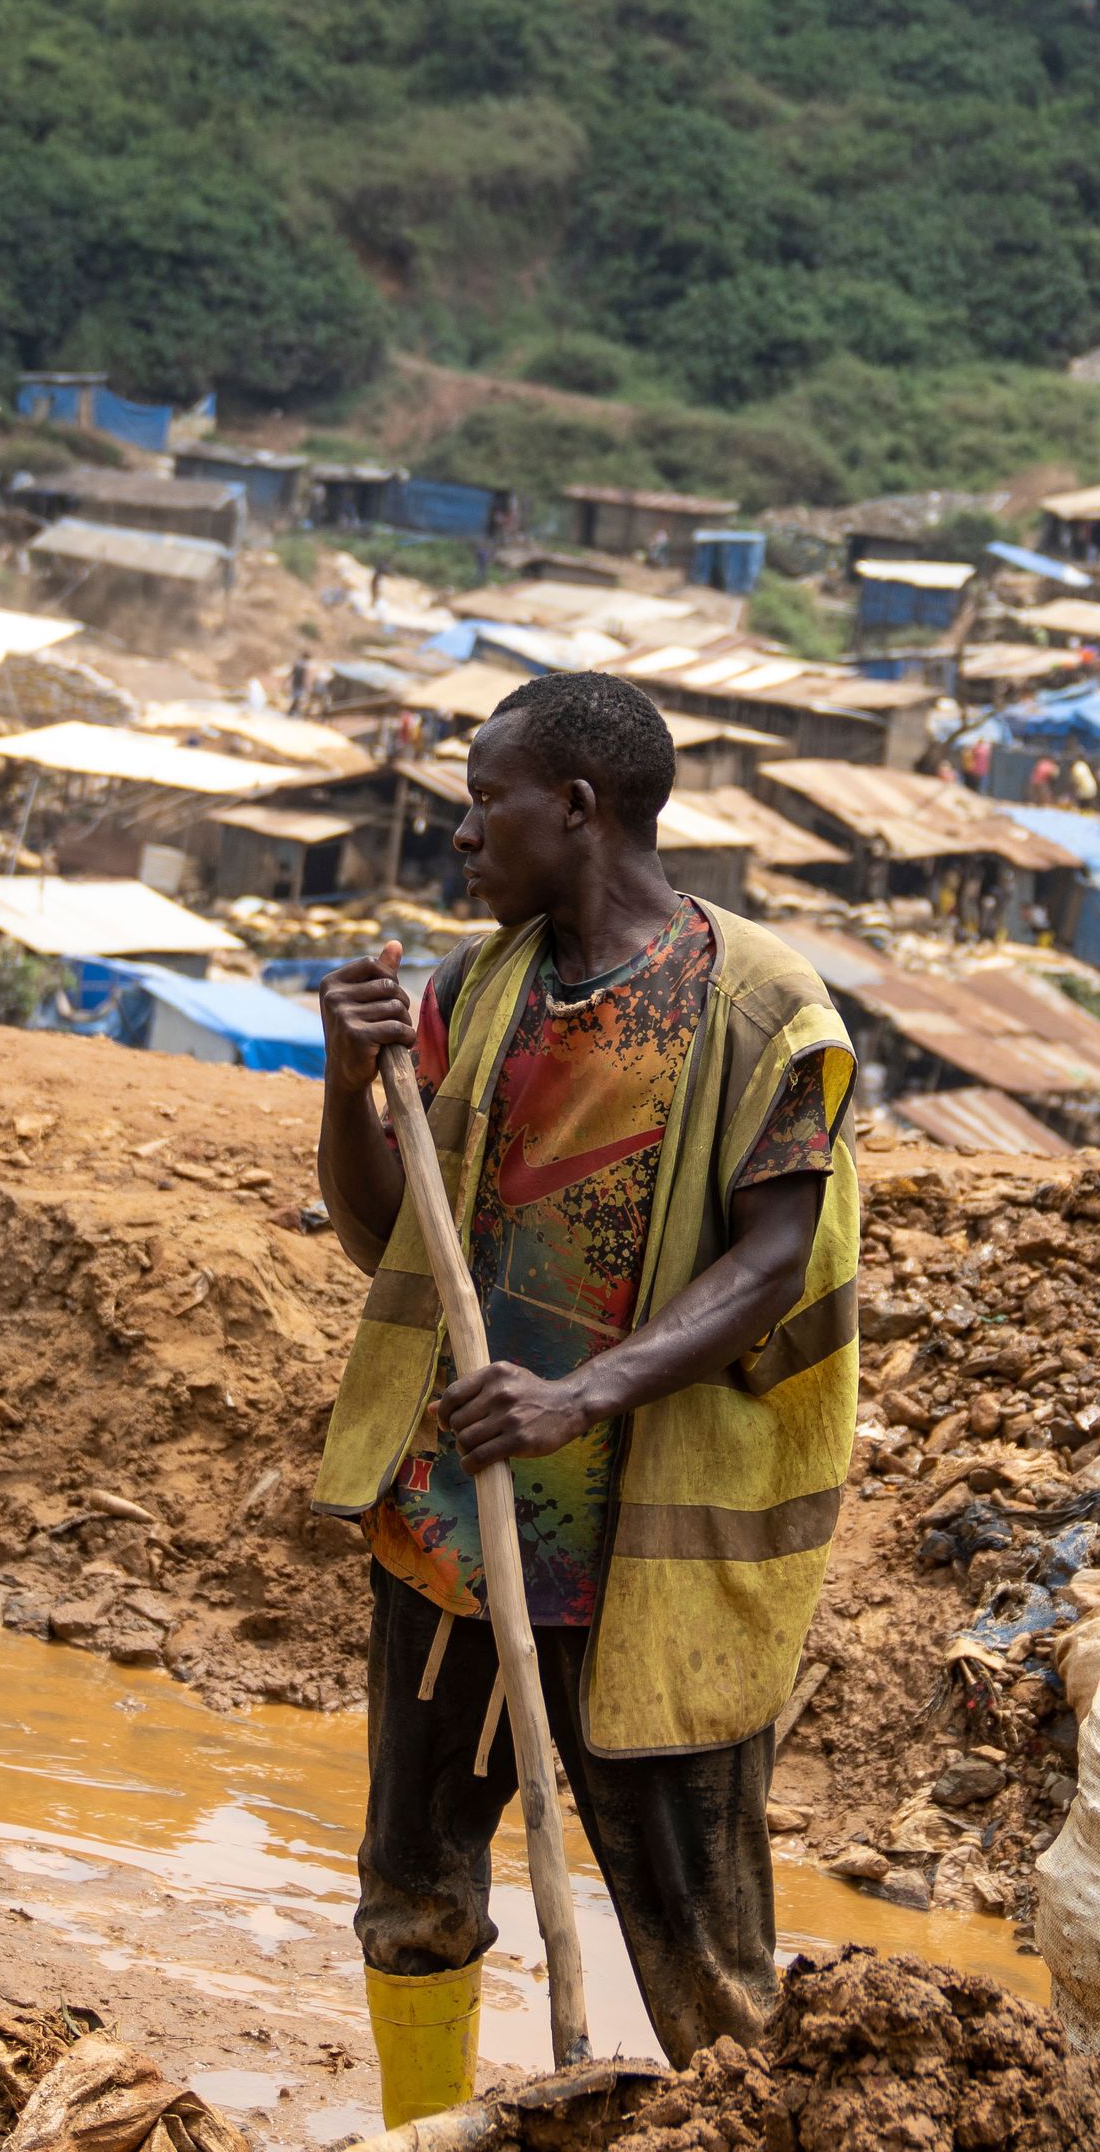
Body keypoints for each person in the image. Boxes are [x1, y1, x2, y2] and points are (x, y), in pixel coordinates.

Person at [306, 672, 860, 2126]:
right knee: (413, 1895)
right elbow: (385, 1240)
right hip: (455, 1540)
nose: (462, 839)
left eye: (484, 804)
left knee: (707, 1966)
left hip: (649, 1565)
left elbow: (780, 1257)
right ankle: (422, 2129)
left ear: (579, 807)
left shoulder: (757, 1005)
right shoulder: (474, 991)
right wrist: (343, 1080)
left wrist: (578, 1399)